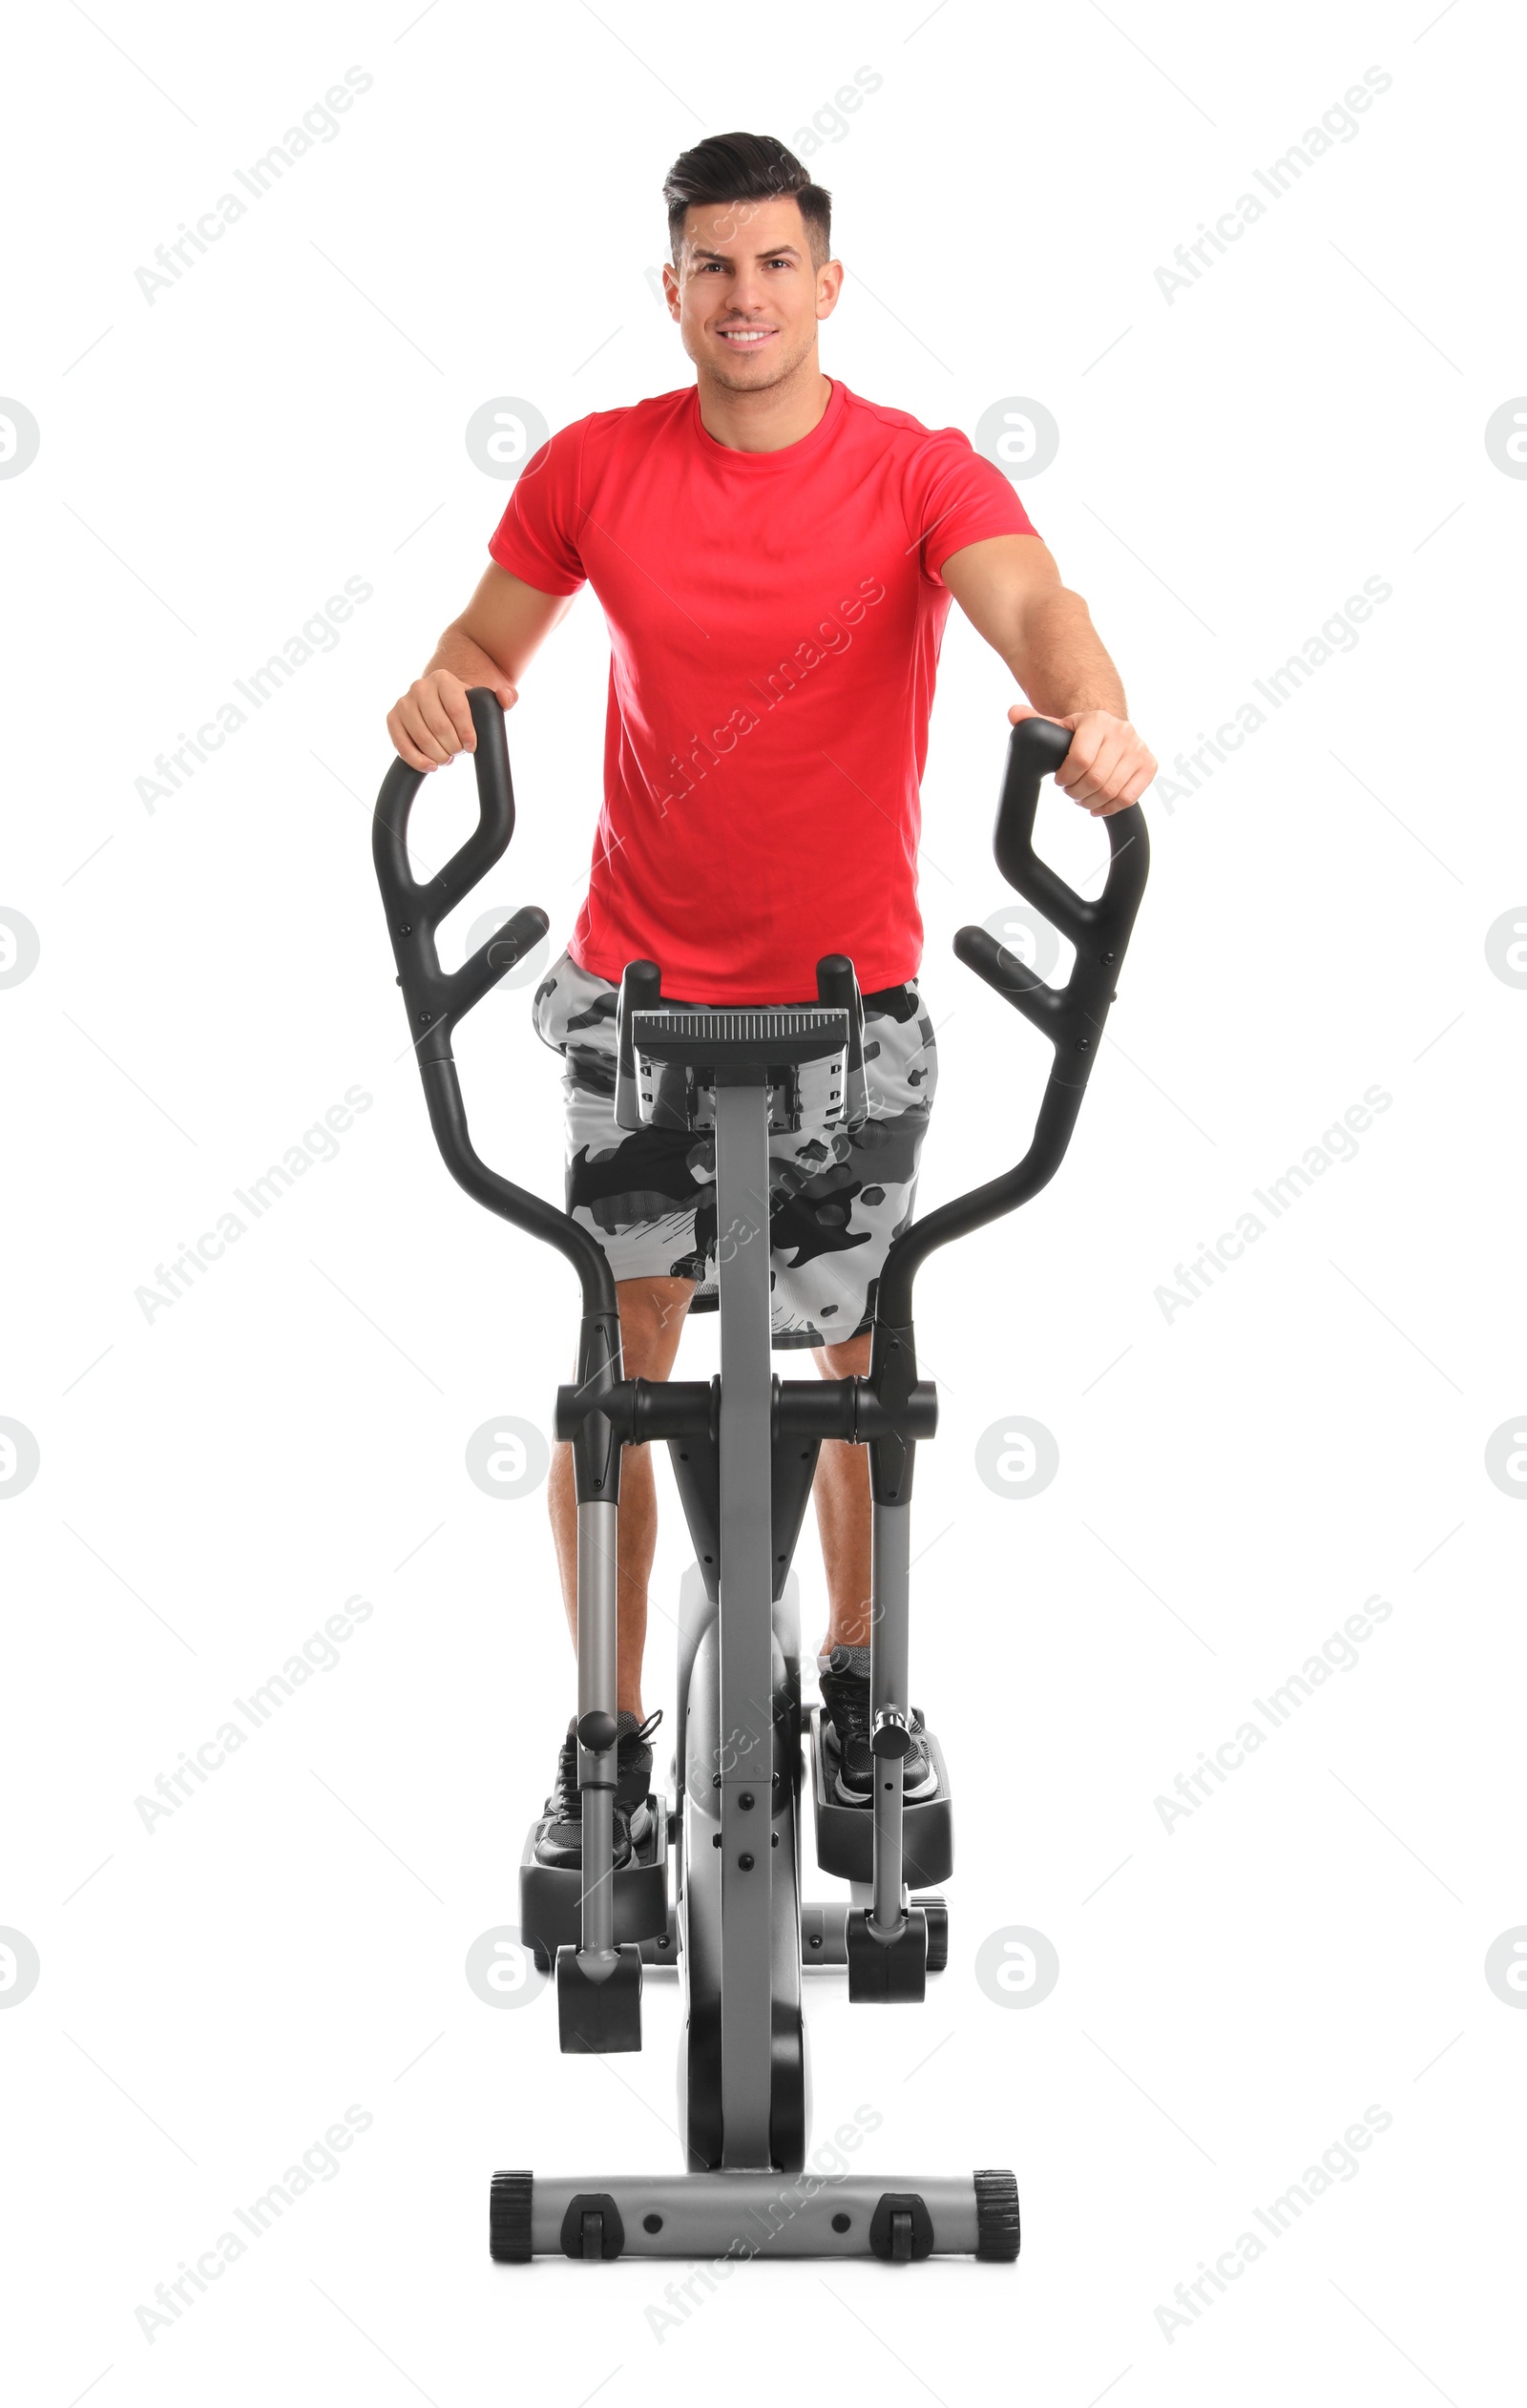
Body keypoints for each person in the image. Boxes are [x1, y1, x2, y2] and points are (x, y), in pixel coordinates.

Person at [387, 132, 1156, 1869]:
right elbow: (483, 649)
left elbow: (1035, 605)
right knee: (615, 1365)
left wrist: (1092, 712)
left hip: (850, 1003)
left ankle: (874, 1704)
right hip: (635, 996)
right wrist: (441, 699)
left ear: (828, 281)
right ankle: (604, 1746)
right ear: (671, 292)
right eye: (711, 269)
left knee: (861, 1356)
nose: (745, 298)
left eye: (773, 265)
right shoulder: (594, 467)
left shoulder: (916, 473)